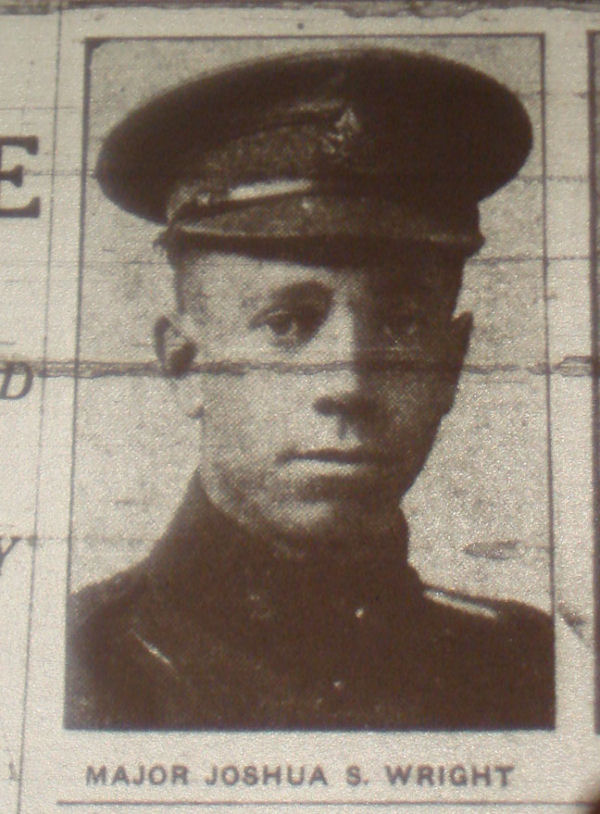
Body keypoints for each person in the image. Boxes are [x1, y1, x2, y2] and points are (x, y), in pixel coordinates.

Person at [65, 47, 554, 730]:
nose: (349, 382)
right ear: (184, 363)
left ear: (451, 363)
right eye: (286, 324)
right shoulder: (68, 666)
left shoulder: (525, 668)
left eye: (402, 324)